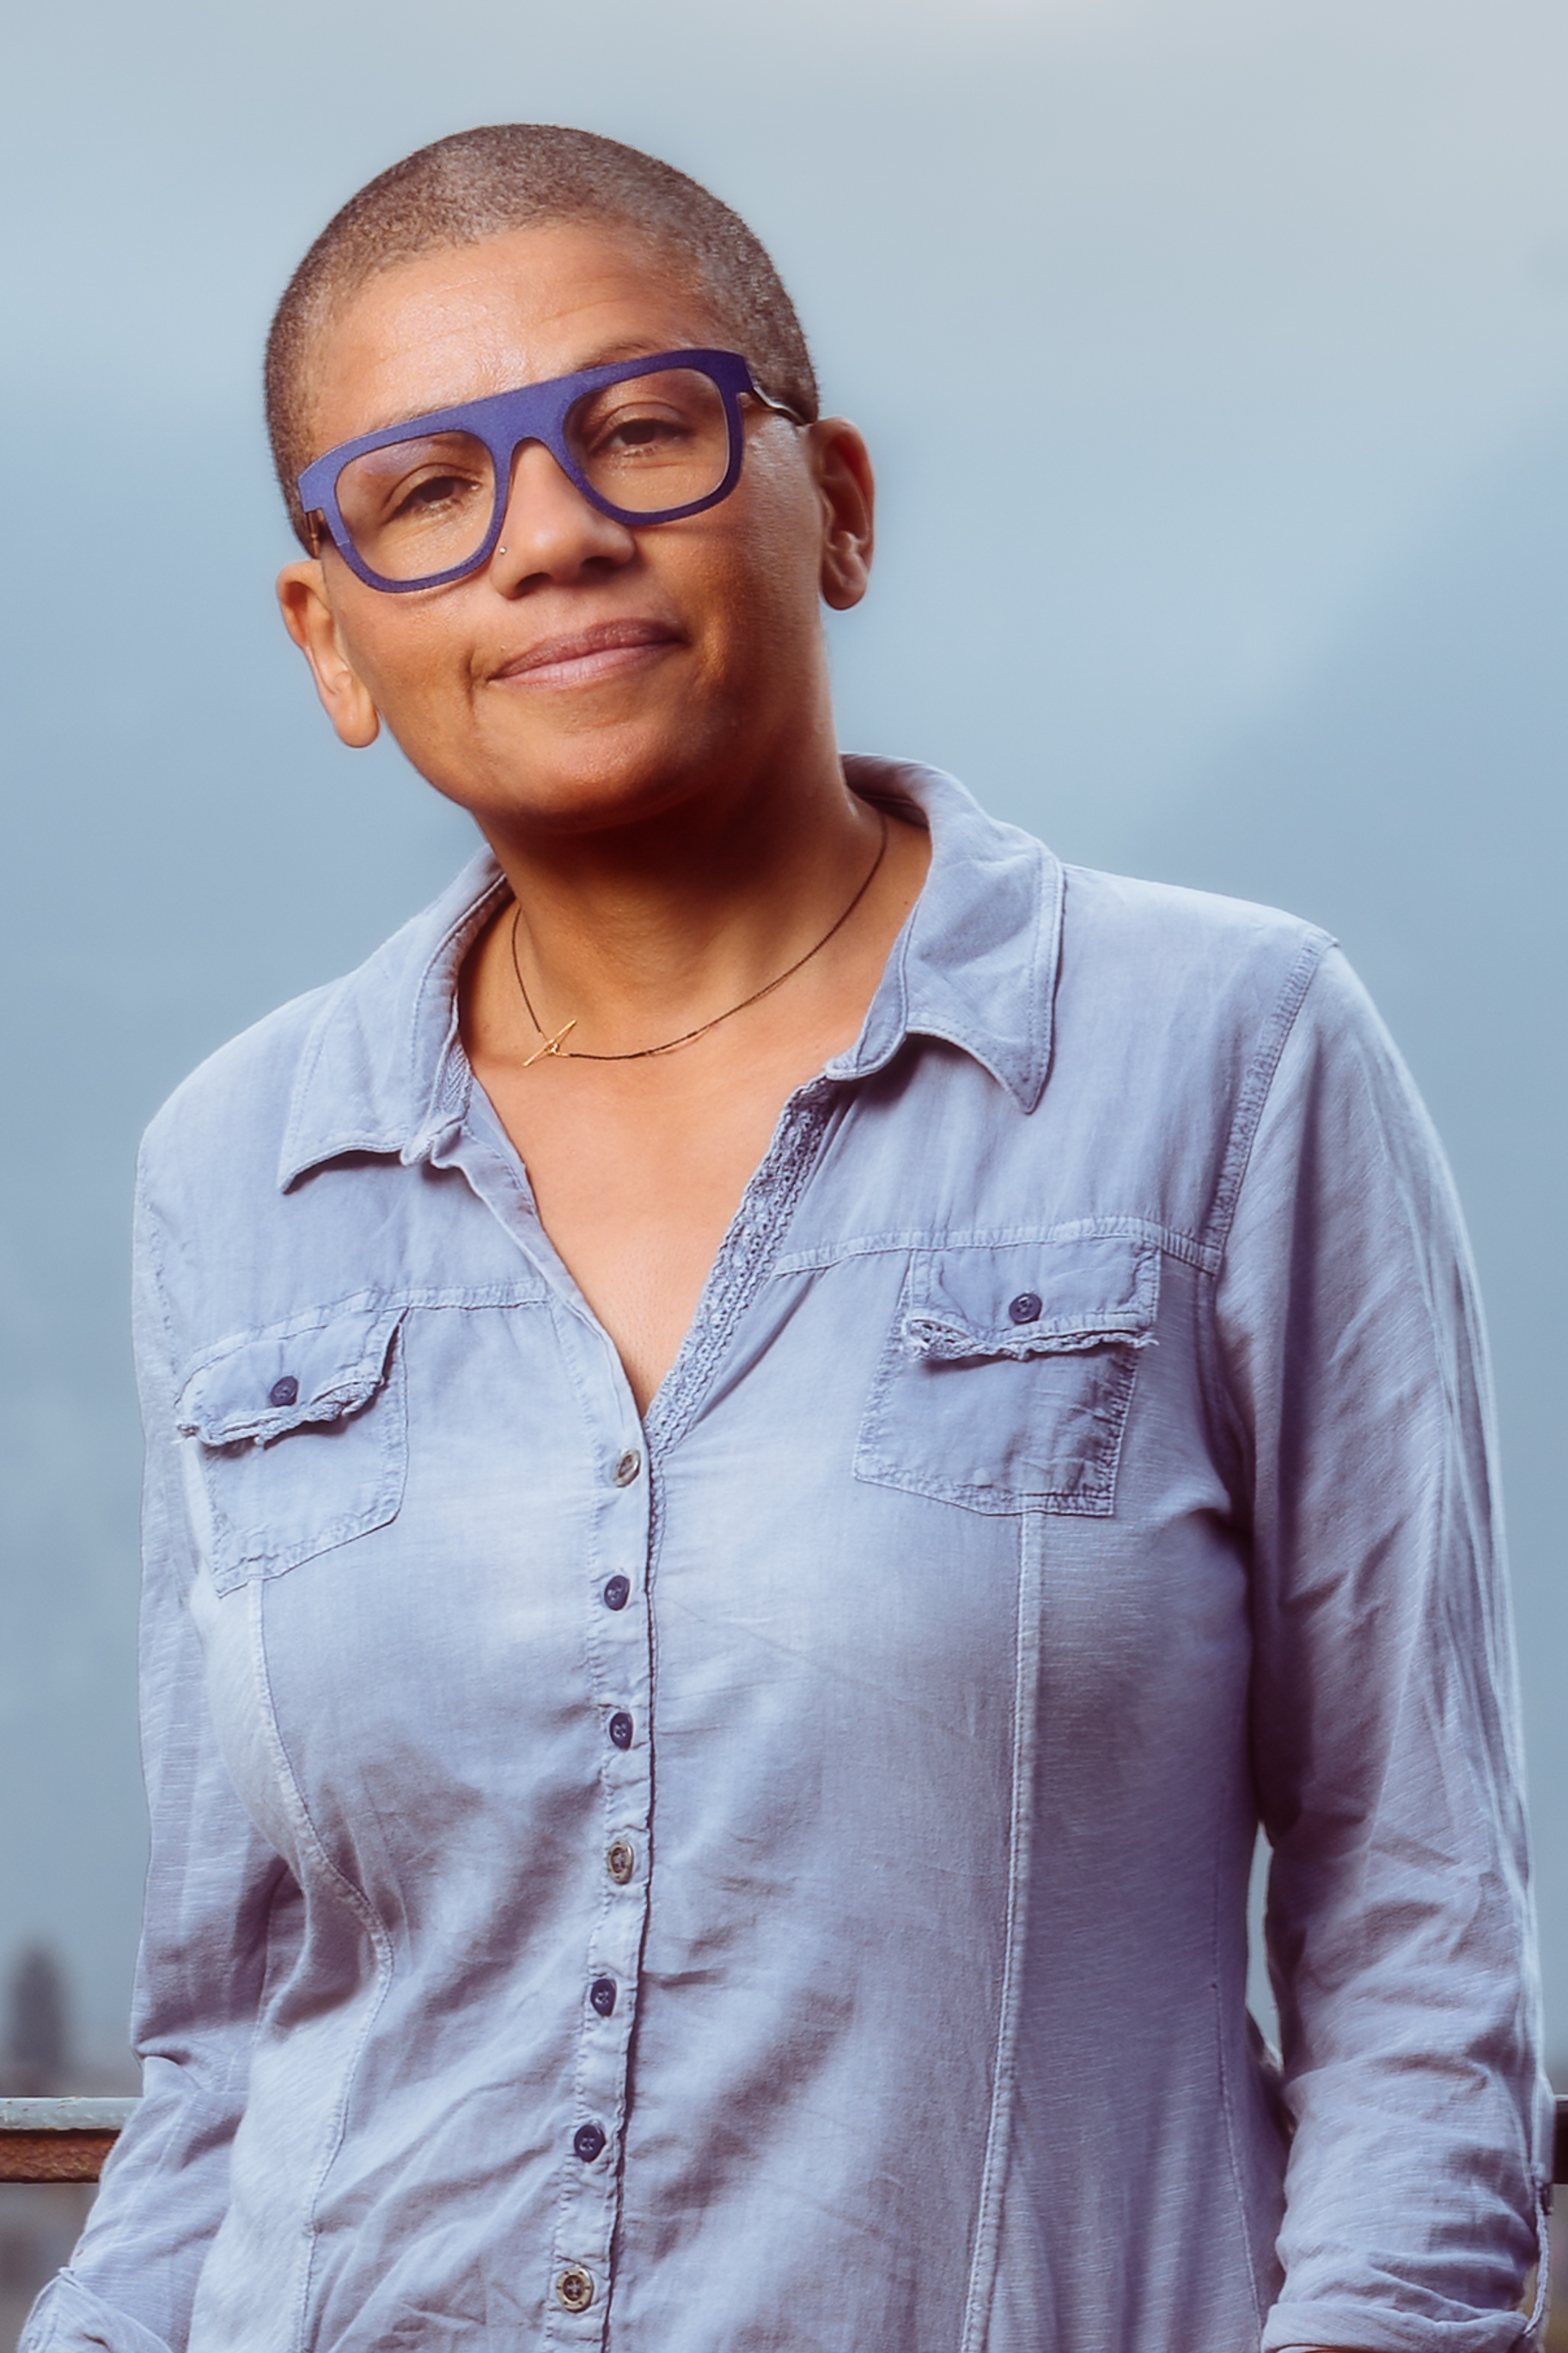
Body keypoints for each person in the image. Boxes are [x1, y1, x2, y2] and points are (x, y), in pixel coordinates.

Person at [22, 125, 1550, 2353]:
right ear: (330, 631)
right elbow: (232, 2038)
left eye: (637, 429)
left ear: (830, 496)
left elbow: (1414, 1940)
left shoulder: (1222, 1056)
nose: (547, 532)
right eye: (425, 490)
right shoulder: (234, 1165)